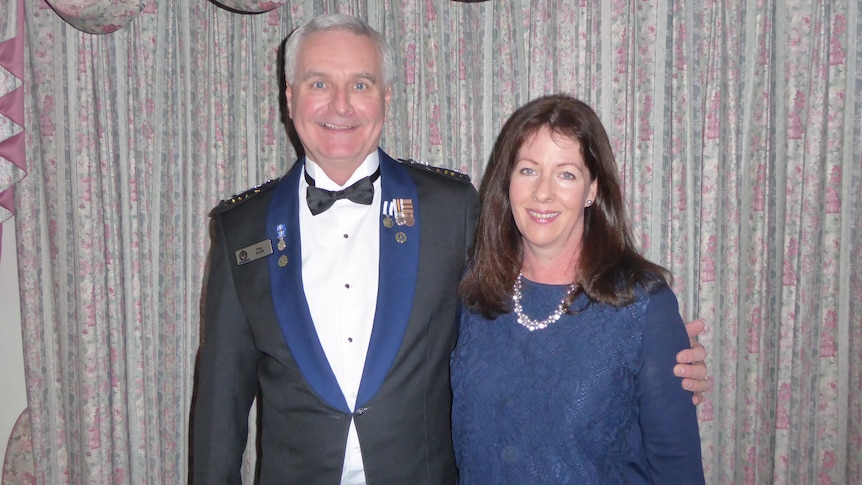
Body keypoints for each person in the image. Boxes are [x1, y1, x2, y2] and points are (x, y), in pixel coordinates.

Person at [190, 14, 708, 484]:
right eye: (319, 82)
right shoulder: (242, 229)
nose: (340, 104)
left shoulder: (451, 207)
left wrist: (655, 355)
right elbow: (220, 407)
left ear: (386, 97)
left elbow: (543, 286)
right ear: (289, 95)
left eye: (361, 84)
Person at [451, 94, 706, 484]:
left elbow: (676, 465)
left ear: (592, 190)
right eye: (528, 170)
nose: (543, 193)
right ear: (507, 181)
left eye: (566, 174)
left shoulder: (642, 306)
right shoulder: (472, 290)